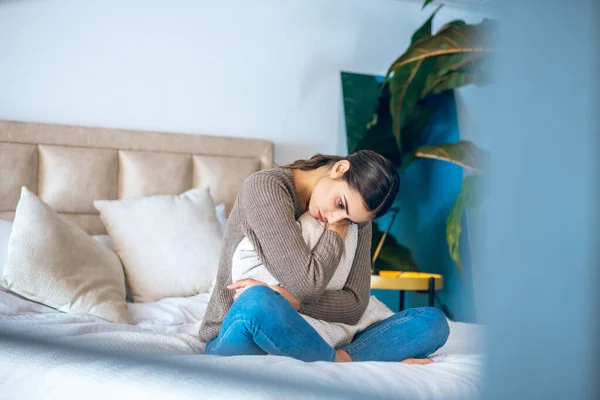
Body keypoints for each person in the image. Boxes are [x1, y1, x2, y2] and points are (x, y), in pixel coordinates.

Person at [199, 150, 449, 363]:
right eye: (340, 205)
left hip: (322, 331)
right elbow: (307, 284)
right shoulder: (266, 188)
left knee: (432, 322)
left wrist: (289, 299)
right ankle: (339, 360)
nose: (336, 219)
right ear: (340, 168)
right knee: (257, 302)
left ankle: (338, 358)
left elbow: (355, 305)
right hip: (236, 329)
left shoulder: (355, 216)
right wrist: (335, 233)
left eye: (349, 220)